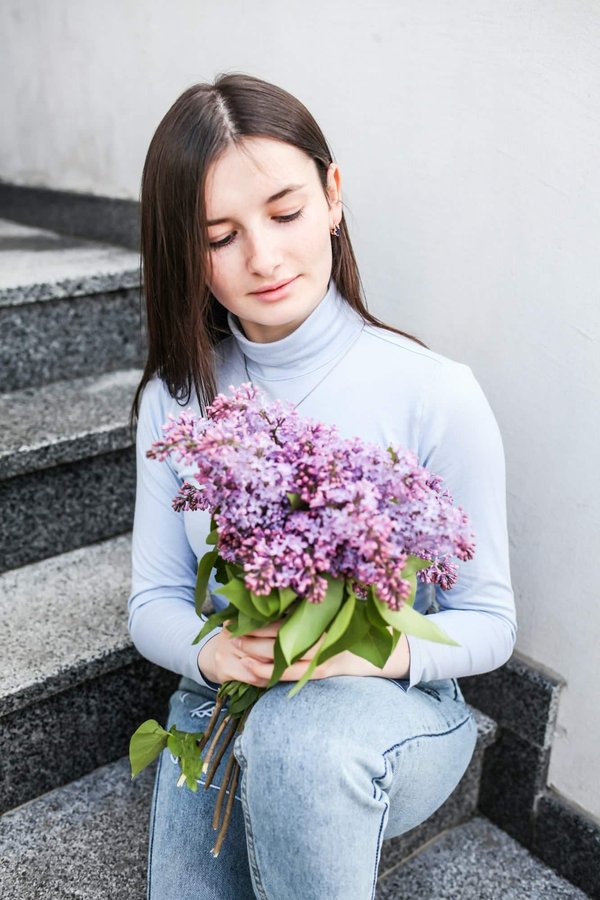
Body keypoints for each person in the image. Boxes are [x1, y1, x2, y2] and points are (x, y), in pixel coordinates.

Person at [128, 73, 516, 900]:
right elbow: (154, 598)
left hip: (394, 711)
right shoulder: (178, 400)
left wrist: (365, 654)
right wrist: (213, 650)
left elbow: (489, 624)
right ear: (182, 251)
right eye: (218, 235)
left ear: (333, 195)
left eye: (285, 213)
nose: (263, 258)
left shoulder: (435, 392)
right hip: (230, 701)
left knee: (302, 743)